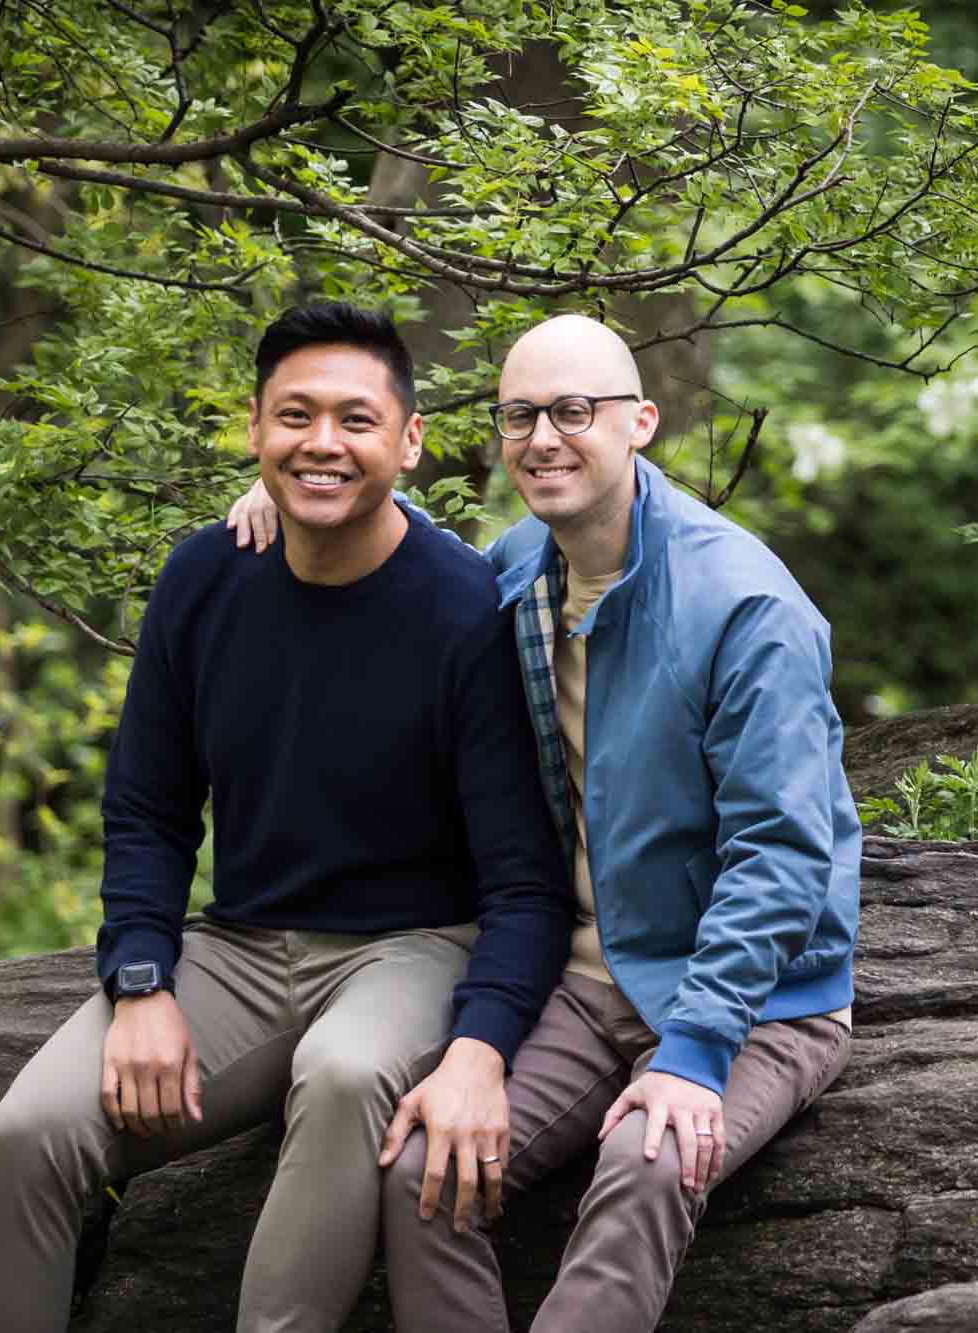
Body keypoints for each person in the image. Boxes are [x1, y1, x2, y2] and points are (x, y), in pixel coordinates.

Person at [0, 302, 572, 1332]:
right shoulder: (204, 577)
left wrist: (481, 1045)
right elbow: (147, 807)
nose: (321, 442)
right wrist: (141, 978)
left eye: (355, 420)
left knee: (343, 1071)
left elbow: (523, 879)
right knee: (27, 1133)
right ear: (253, 430)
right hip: (236, 950)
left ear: (409, 442)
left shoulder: (464, 611)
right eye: (295, 416)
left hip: (409, 950)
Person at [227, 312, 859, 1330]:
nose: (543, 438)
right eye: (520, 415)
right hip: (585, 981)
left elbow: (780, 854)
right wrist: (305, 489)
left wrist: (695, 1054)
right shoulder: (521, 568)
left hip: (754, 1002)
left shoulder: (744, 606)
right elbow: (417, 571)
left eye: (574, 410)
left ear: (640, 421)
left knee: (647, 1163)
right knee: (430, 1167)